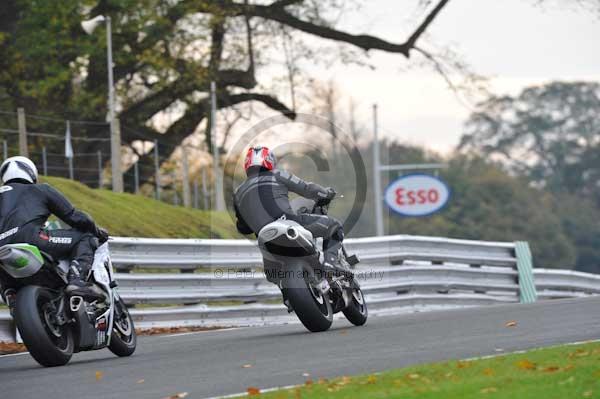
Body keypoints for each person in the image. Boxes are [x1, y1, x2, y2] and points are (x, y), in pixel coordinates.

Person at [0, 156, 109, 315]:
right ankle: (77, 281)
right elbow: (74, 217)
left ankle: (9, 293)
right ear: (30, 173)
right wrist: (96, 230)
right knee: (84, 236)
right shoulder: (40, 190)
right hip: (33, 238)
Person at [233, 146, 345, 275]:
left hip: (265, 240)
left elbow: (243, 228)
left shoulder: (238, 193)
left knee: (275, 276)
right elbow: (308, 189)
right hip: (287, 222)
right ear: (269, 160)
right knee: (334, 226)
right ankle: (331, 263)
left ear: (247, 163)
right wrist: (326, 193)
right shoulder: (278, 174)